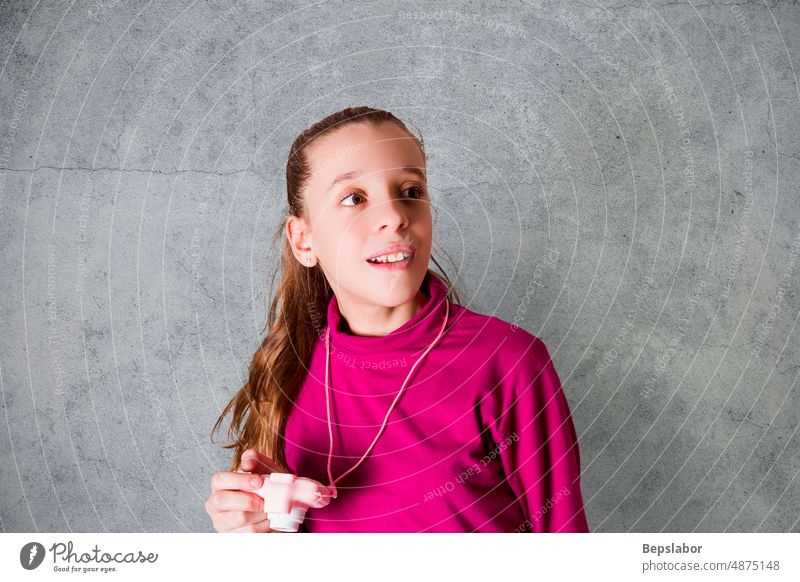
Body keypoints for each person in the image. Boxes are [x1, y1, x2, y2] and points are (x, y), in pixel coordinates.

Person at [205, 106, 589, 533]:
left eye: (410, 190)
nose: (395, 216)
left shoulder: (508, 361)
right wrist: (251, 531)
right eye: (354, 197)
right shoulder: (287, 367)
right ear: (303, 239)